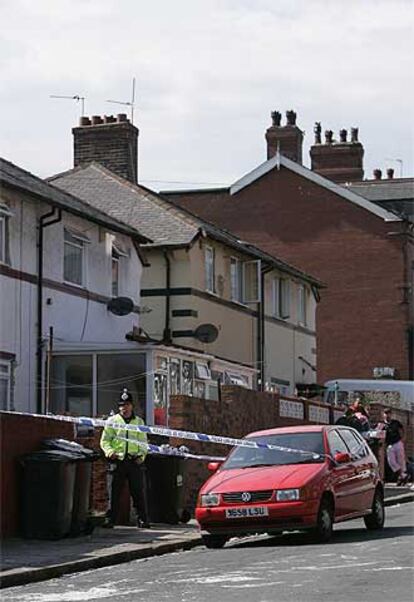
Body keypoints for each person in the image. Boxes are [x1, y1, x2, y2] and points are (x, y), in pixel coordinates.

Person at [100, 388, 150, 528]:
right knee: (114, 492)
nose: (124, 408)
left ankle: (142, 520)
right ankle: (110, 520)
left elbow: (144, 442)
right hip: (117, 461)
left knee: (138, 492)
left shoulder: (139, 422)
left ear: (132, 406)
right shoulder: (112, 421)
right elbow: (105, 441)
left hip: (134, 461)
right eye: (121, 405)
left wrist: (142, 456)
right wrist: (109, 451)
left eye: (127, 405)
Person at [378, 407, 408, 486]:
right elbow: (378, 433)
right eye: (385, 414)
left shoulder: (395, 422)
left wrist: (403, 438)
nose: (387, 415)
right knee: (391, 462)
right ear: (383, 415)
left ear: (391, 414)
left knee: (401, 460)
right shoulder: (382, 425)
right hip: (389, 445)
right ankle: (403, 475)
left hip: (398, 442)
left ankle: (401, 477)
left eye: (389, 414)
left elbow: (402, 429)